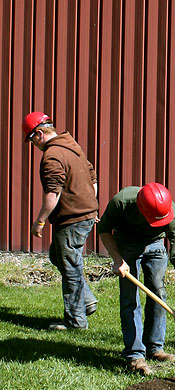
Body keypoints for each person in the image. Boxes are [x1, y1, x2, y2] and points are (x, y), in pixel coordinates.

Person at [97, 182, 175, 375]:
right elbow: (104, 230)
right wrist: (117, 259)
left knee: (157, 292)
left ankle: (155, 347)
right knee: (130, 298)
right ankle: (135, 355)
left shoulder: (171, 213)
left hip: (156, 243)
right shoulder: (122, 201)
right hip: (127, 242)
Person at [23, 111, 99, 330]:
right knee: (57, 256)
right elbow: (92, 176)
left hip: (71, 220)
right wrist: (90, 205)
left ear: (38, 133)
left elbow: (52, 193)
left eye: (31, 139)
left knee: (71, 267)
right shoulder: (71, 145)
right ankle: (87, 300)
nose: (33, 144)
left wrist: (39, 221)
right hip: (84, 214)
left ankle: (76, 321)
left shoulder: (52, 155)